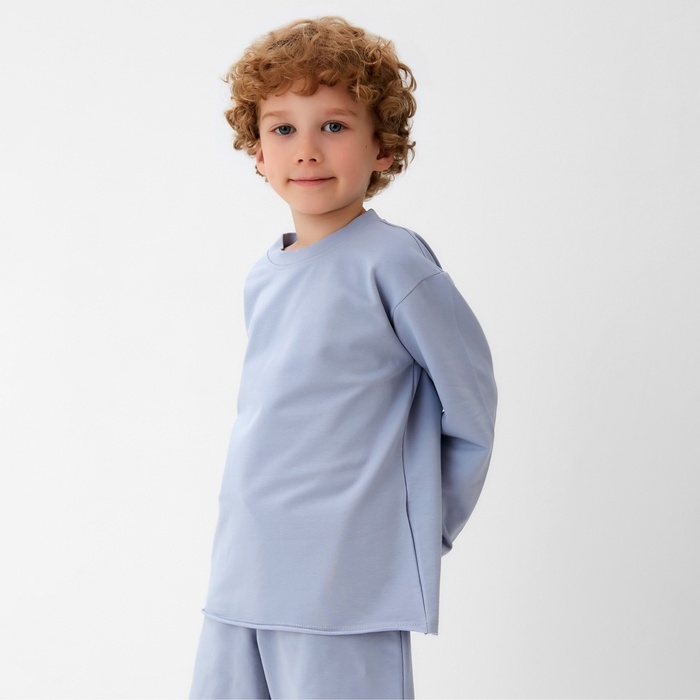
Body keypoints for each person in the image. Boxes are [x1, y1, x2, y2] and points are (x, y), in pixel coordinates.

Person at [190, 16, 497, 700]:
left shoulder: (393, 262)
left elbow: (471, 407)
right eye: (282, 129)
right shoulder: (265, 274)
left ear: (382, 147)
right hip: (244, 567)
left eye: (333, 126)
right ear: (257, 152)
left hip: (342, 585)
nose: (306, 151)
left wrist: (416, 530)